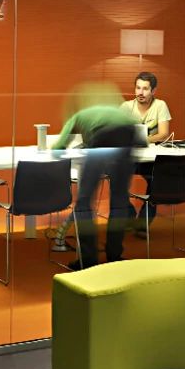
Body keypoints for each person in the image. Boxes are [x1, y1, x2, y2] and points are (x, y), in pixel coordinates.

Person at [51, 101, 142, 270]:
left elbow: (58, 148)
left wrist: (56, 148)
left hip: (104, 137)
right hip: (129, 134)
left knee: (84, 202)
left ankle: (88, 260)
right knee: (119, 201)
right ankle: (114, 256)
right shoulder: (104, 112)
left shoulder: (76, 117)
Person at [120, 71, 172, 233]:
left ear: (153, 91)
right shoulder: (126, 107)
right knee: (117, 180)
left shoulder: (160, 105)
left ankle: (143, 222)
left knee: (155, 183)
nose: (140, 92)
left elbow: (163, 134)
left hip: (150, 159)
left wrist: (140, 140)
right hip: (130, 157)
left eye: (145, 89)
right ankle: (129, 215)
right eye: (138, 88)